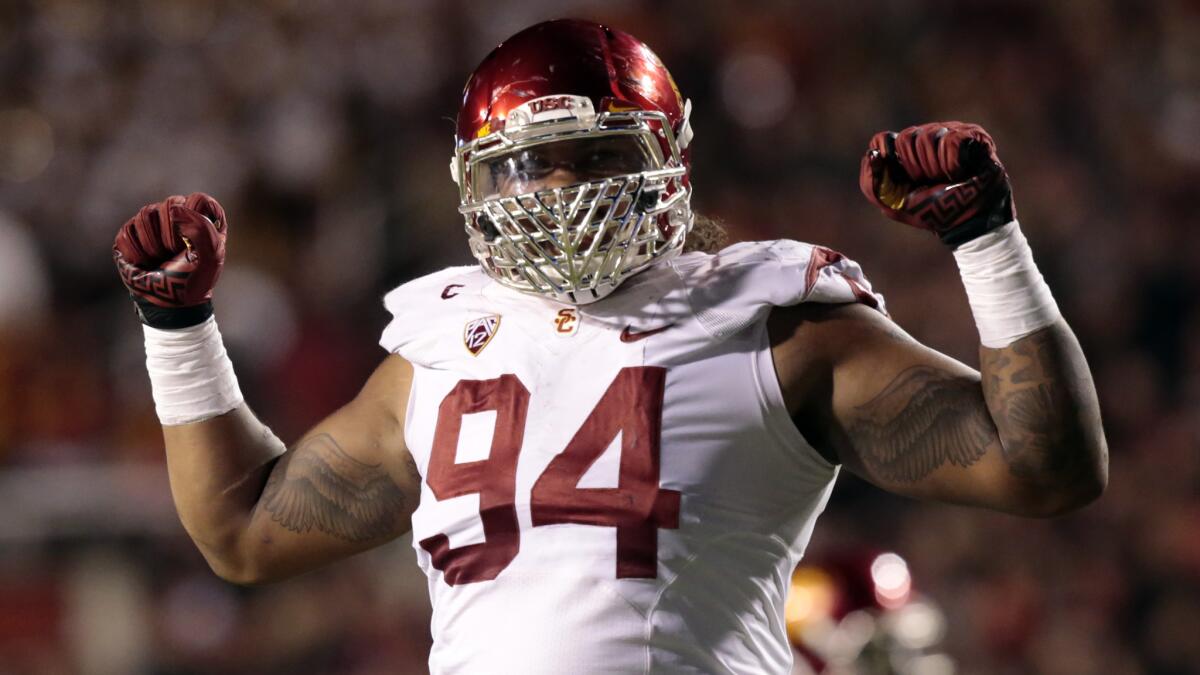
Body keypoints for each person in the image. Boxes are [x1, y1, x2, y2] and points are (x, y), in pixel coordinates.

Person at [112, 18, 1107, 675]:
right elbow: (242, 534)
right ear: (472, 182)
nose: (561, 194)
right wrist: (178, 329)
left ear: (671, 158)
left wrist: (987, 242)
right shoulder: (445, 343)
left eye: (595, 157)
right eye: (528, 169)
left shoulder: (774, 319)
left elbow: (1044, 470)